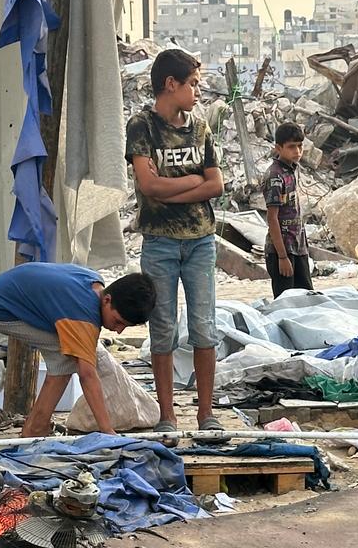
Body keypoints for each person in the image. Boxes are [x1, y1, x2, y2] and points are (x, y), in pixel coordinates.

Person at [125, 48, 229, 446]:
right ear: (171, 84)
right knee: (163, 329)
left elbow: (216, 185)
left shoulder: (199, 127)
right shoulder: (142, 127)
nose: (198, 92)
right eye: (193, 84)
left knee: (205, 327)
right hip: (160, 243)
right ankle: (167, 415)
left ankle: (207, 414)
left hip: (200, 241)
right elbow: (147, 187)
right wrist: (192, 182)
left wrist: (174, 187)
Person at [0, 265, 155, 437]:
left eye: (125, 326)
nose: (118, 331)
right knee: (65, 359)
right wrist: (107, 430)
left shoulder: (95, 282)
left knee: (70, 352)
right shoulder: (83, 317)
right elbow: (87, 376)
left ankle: (38, 425)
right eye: (118, 322)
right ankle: (35, 428)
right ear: (107, 299)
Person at [263, 122, 314, 298]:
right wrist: (282, 257)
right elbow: (272, 218)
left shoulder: (290, 170)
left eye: (300, 146)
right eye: (292, 147)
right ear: (278, 148)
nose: (297, 152)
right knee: (286, 304)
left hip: (298, 248)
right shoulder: (275, 176)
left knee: (307, 300)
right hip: (282, 251)